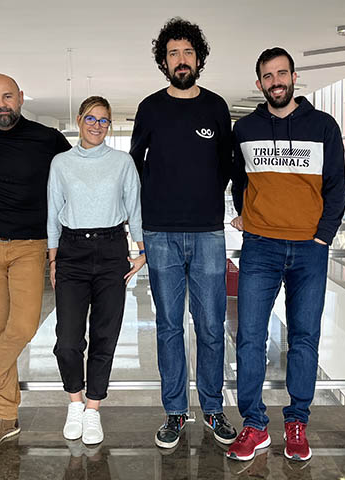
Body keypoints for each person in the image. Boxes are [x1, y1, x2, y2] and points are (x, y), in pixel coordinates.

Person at [226, 47, 345, 462]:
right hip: (260, 246)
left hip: (309, 249)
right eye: (267, 76)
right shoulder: (243, 129)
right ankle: (255, 425)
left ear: (294, 76)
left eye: (282, 73)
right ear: (259, 83)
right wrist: (244, 214)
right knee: (249, 338)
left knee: (304, 338)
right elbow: (237, 180)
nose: (276, 81)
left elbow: (336, 186)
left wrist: (323, 237)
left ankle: (296, 421)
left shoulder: (323, 126)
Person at [129, 17, 237, 449]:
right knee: (169, 326)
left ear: (199, 58)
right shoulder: (150, 108)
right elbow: (134, 166)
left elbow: (230, 165)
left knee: (211, 325)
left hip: (208, 232)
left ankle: (212, 406)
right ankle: (175, 411)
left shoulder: (215, 107)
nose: (181, 60)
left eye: (188, 52)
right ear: (163, 61)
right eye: (173, 53)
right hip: (160, 234)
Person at [0, 73, 71, 451]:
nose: (1, 104)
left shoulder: (47, 139)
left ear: (21, 97)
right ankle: (5, 418)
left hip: (29, 244)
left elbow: (73, 178)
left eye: (7, 96)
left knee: (21, 327)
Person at [48, 96, 145, 446]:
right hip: (72, 252)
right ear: (78, 120)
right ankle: (74, 401)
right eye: (91, 118)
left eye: (104, 120)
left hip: (111, 251)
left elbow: (134, 207)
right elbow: (52, 210)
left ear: (109, 125)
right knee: (67, 341)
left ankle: (93, 409)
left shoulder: (122, 163)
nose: (97, 125)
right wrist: (54, 258)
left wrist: (141, 250)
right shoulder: (61, 163)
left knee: (105, 335)